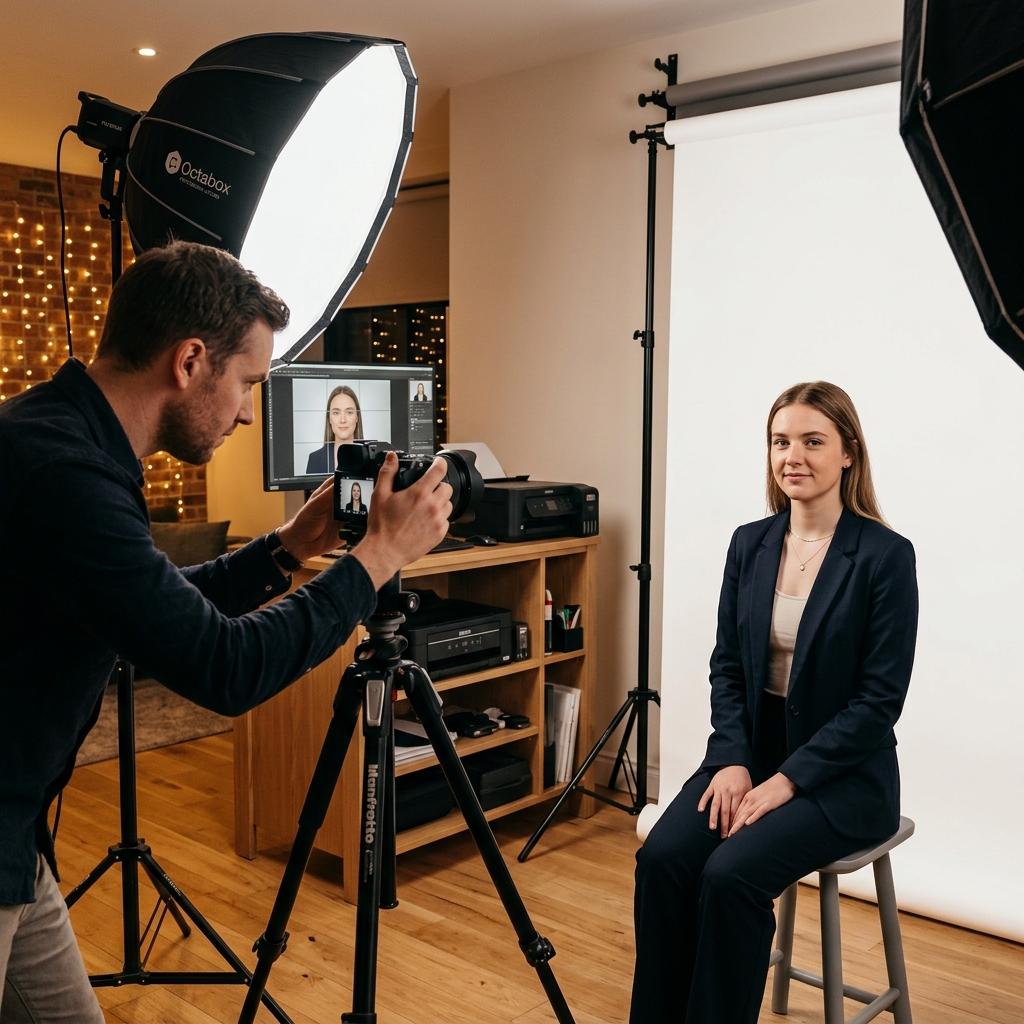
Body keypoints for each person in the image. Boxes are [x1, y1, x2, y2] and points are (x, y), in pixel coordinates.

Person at [0, 241, 453, 1022]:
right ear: (189, 361)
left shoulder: (58, 437)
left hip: (17, 841)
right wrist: (376, 558)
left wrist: (288, 548)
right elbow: (224, 668)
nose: (248, 411)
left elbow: (166, 609)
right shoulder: (67, 478)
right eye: (246, 382)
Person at [631, 381, 918, 1024]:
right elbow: (728, 667)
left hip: (842, 780)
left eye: (813, 441)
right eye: (780, 440)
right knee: (664, 858)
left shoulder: (885, 557)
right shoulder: (750, 544)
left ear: (848, 452)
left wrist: (787, 781)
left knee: (730, 876)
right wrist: (732, 759)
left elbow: (878, 703)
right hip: (748, 757)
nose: (793, 455)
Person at [305, 385, 362, 474]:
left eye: (349, 412)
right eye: (336, 413)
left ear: (357, 417)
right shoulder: (315, 459)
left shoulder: (372, 458)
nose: (343, 420)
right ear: (329, 418)